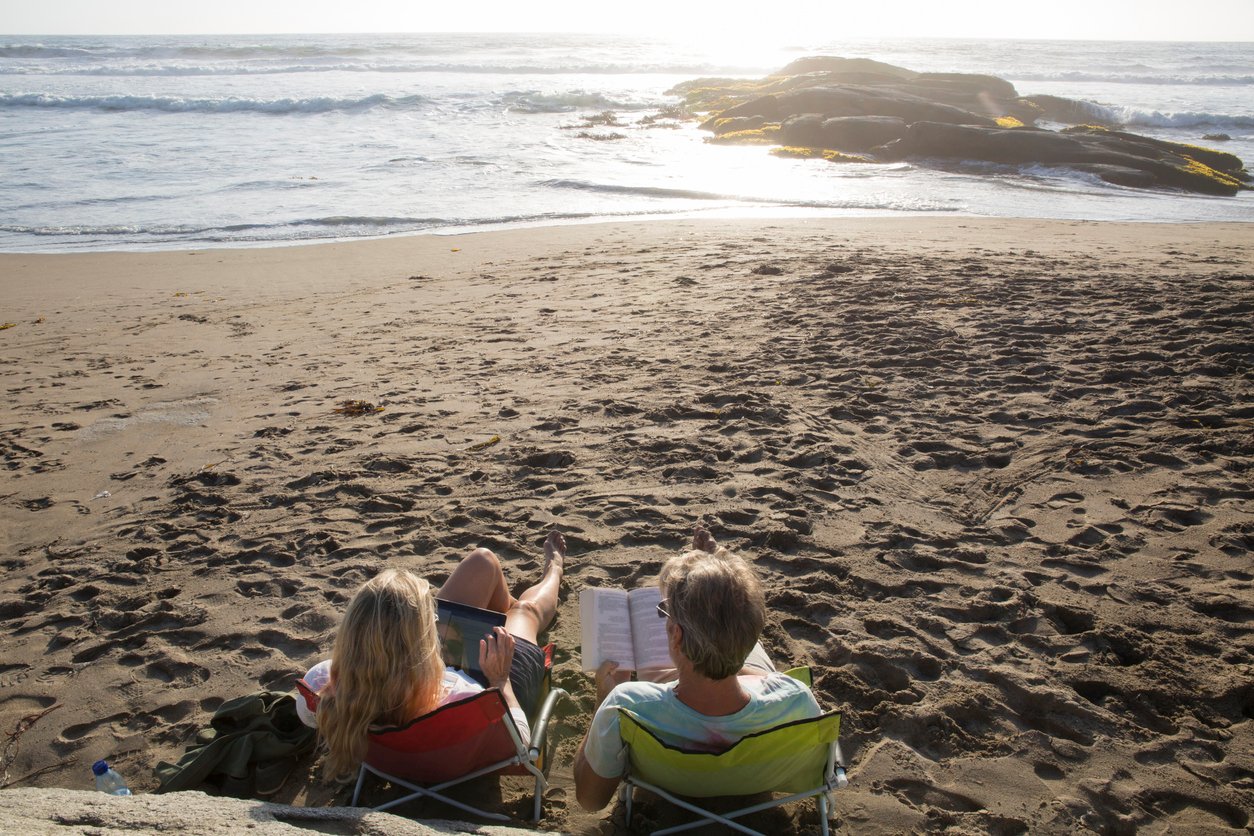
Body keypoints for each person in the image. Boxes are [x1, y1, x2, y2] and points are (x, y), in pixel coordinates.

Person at [573, 527, 820, 811]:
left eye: (665, 611)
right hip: (757, 778)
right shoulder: (795, 698)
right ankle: (724, 603)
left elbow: (590, 800)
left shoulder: (626, 705)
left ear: (676, 636)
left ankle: (714, 604)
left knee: (662, 674)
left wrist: (602, 699)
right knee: (738, 653)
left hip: (671, 781)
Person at [306, 530, 565, 781]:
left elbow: (307, 715)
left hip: (417, 672)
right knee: (525, 610)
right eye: (429, 617)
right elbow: (519, 742)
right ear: (419, 636)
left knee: (483, 561)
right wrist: (500, 681)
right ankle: (554, 569)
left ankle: (502, 611)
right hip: (493, 685)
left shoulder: (322, 682)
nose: (433, 616)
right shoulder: (464, 698)